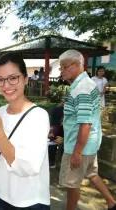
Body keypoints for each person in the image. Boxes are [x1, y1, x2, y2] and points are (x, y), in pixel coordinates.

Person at [0, 53, 50, 209]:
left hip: (28, 201)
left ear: (26, 79)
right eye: (0, 80)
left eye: (13, 78)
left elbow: (28, 167)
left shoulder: (38, 116)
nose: (6, 85)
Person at [58, 49, 116, 210]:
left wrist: (77, 152)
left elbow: (85, 124)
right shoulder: (86, 84)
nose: (61, 71)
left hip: (79, 145)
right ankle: (112, 203)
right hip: (90, 143)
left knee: (72, 184)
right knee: (91, 173)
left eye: (64, 67)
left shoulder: (81, 88)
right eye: (60, 68)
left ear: (77, 65)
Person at [48, 104, 64, 168]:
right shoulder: (58, 109)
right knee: (53, 140)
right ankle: (52, 162)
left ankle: (56, 161)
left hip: (59, 125)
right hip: (57, 125)